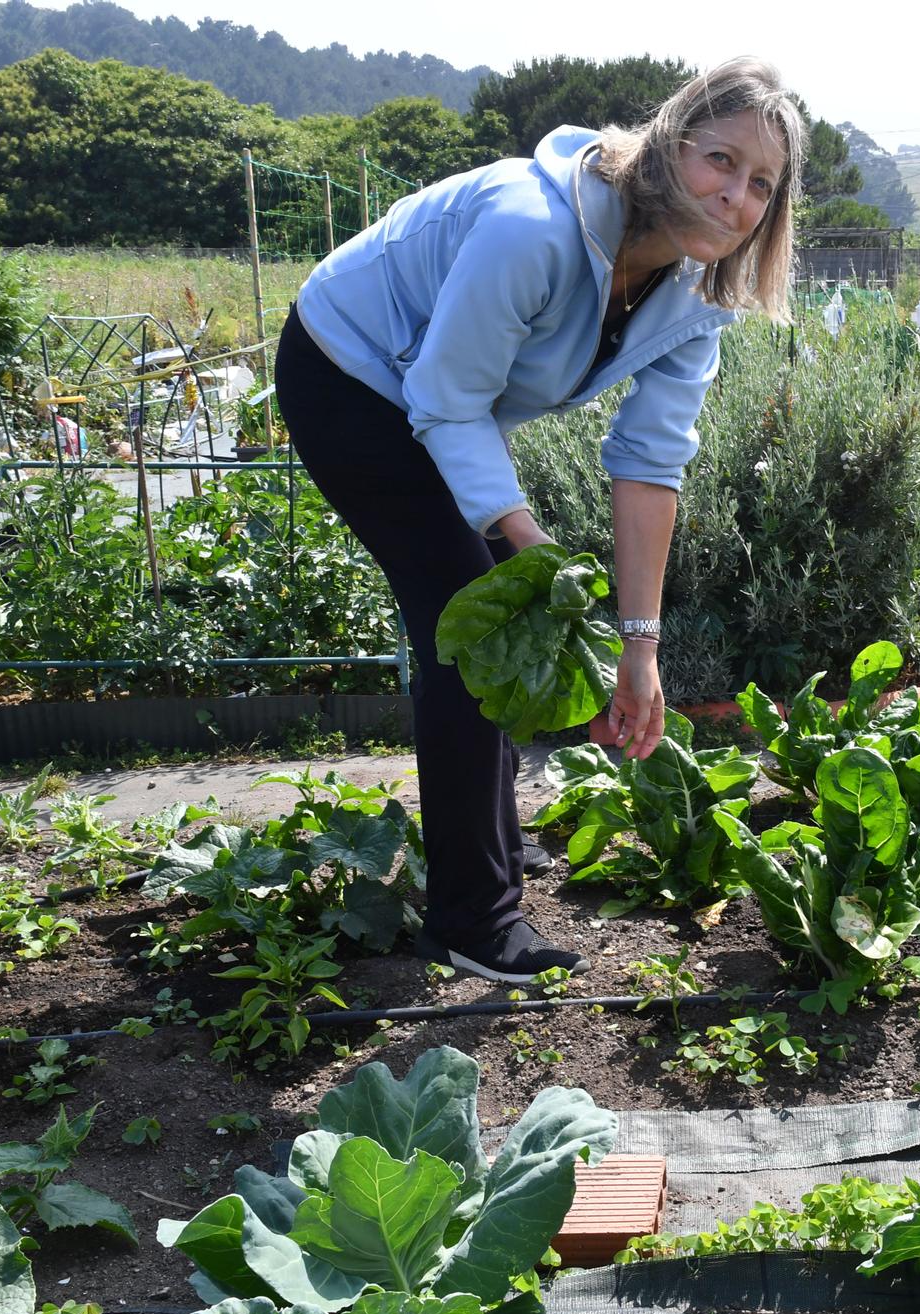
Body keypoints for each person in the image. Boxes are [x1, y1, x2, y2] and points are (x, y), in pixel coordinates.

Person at [275, 58, 805, 983]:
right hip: (349, 372)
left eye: (762, 184)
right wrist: (544, 566)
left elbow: (648, 464)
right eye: (723, 159)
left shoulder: (696, 294)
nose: (737, 196)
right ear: (671, 145)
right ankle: (475, 921)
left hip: (439, 402)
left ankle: (491, 850)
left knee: (501, 614)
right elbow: (444, 403)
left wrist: (637, 647)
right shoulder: (533, 228)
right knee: (477, 626)